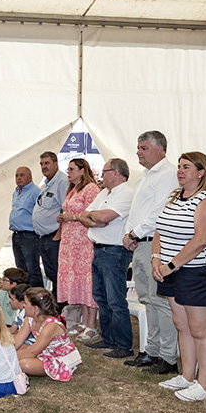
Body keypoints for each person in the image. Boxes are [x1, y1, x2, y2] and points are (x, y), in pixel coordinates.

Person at [153, 151, 206, 402]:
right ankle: (187, 376)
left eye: (186, 167)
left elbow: (201, 240)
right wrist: (156, 259)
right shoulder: (174, 196)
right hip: (171, 269)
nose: (180, 171)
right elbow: (160, 230)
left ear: (201, 172)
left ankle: (205, 386)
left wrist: (171, 265)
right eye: (179, 167)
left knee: (199, 329)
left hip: (198, 271)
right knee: (182, 325)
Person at [122, 130, 179, 374]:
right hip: (140, 243)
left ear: (160, 149)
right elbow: (136, 211)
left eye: (144, 148)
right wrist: (128, 234)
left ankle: (167, 356)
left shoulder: (167, 174)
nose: (138, 152)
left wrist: (134, 233)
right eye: (138, 148)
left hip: (156, 243)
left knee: (160, 301)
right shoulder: (144, 177)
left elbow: (159, 212)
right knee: (147, 300)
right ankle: (152, 351)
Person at [78, 158, 135, 358]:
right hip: (99, 249)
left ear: (116, 172)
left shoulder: (127, 193)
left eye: (104, 172)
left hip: (115, 251)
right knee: (101, 296)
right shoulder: (104, 193)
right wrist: (95, 218)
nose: (101, 176)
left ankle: (124, 344)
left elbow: (104, 217)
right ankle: (109, 338)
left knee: (115, 299)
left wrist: (95, 217)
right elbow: (83, 216)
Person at [55, 158, 99, 337]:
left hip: (83, 243)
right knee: (77, 282)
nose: (69, 172)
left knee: (87, 282)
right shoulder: (73, 189)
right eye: (68, 169)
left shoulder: (91, 189)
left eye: (72, 169)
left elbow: (93, 215)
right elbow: (69, 211)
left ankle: (92, 324)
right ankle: (83, 321)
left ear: (82, 170)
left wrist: (72, 217)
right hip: (70, 243)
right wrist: (62, 217)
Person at [14, 288, 79, 381]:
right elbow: (17, 341)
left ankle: (43, 367)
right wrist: (4, 353)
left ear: (35, 309)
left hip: (59, 358)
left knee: (24, 364)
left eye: (25, 303)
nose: (23, 305)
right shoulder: (29, 319)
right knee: (16, 347)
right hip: (44, 352)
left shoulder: (51, 325)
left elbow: (32, 352)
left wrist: (7, 358)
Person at [32, 152, 69, 293]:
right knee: (51, 273)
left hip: (54, 237)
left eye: (47, 163)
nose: (44, 167)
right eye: (41, 164)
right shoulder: (47, 183)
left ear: (56, 163)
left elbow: (65, 209)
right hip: (44, 237)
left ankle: (60, 305)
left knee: (57, 274)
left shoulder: (62, 182)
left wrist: (58, 234)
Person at [9, 166, 42, 287]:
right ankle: (23, 296)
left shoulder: (35, 191)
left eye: (22, 175)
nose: (19, 178)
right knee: (20, 270)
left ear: (30, 177)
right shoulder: (16, 192)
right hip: (16, 234)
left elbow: (41, 212)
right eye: (17, 175)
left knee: (32, 269)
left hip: (29, 235)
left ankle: (37, 296)